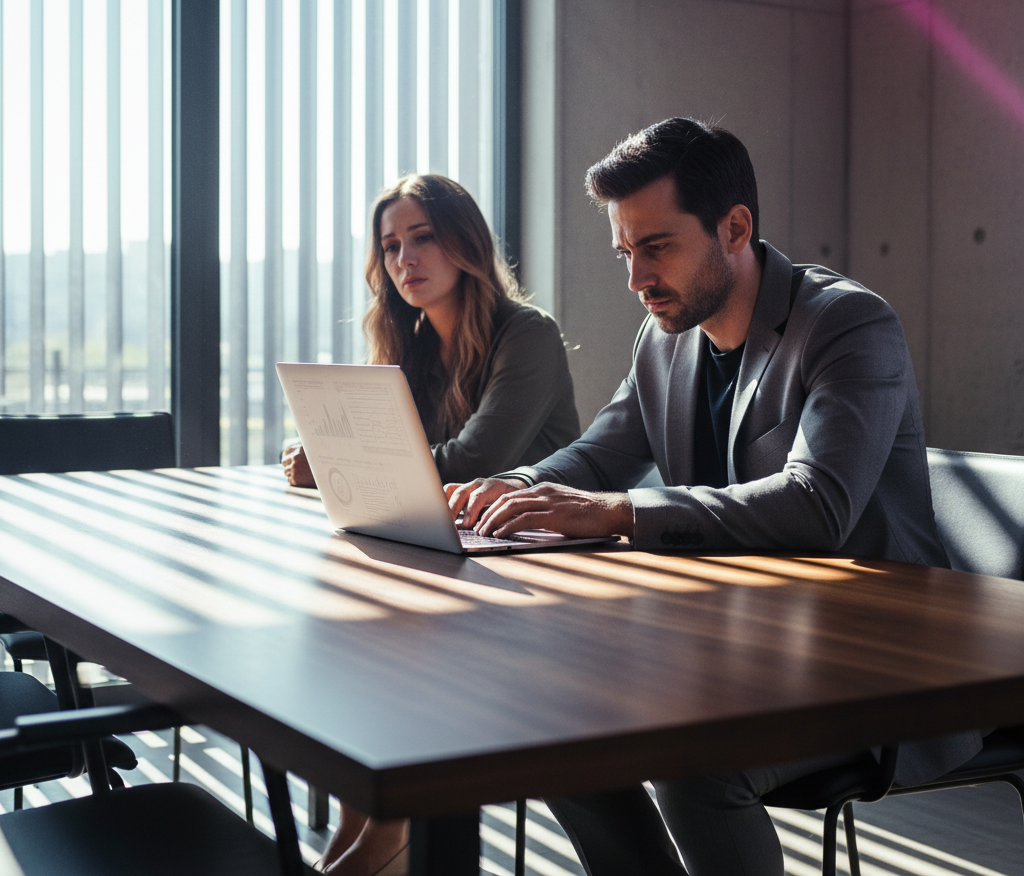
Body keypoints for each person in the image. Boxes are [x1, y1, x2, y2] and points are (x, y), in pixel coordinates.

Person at [446, 118, 982, 876]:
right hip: (745, 647)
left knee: (693, 758)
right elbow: (603, 453)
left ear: (735, 227)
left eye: (656, 246)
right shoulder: (664, 339)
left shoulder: (848, 324)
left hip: (874, 666)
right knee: (555, 726)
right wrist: (514, 487)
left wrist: (626, 512)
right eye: (625, 252)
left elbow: (818, 503)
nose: (635, 279)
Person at [298, 174, 580, 876]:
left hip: (544, 583)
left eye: (421, 237)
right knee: (367, 674)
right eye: (391, 246)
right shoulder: (416, 343)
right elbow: (397, 468)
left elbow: (470, 461)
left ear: (465, 241)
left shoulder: (529, 334)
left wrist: (348, 458)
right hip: (458, 572)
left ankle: (372, 853)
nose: (404, 259)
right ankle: (366, 848)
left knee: (395, 685)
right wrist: (324, 455)